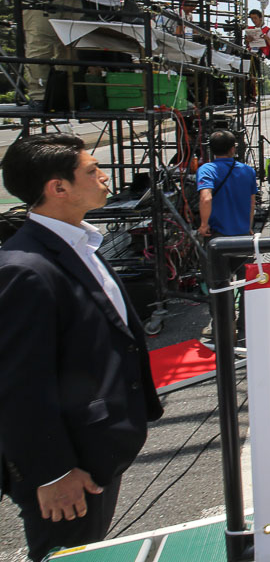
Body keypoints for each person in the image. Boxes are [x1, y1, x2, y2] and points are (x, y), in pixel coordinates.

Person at [0, 134, 162, 560]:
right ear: (58, 188)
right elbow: (19, 386)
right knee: (68, 552)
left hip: (95, 451)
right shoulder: (26, 268)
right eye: (92, 171)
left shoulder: (77, 242)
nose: (105, 177)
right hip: (68, 469)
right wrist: (51, 473)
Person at [197, 130, 259, 240]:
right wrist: (248, 226)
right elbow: (252, 202)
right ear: (232, 149)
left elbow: (206, 199)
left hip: (218, 235)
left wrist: (204, 225)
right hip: (243, 233)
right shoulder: (248, 171)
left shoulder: (206, 170)